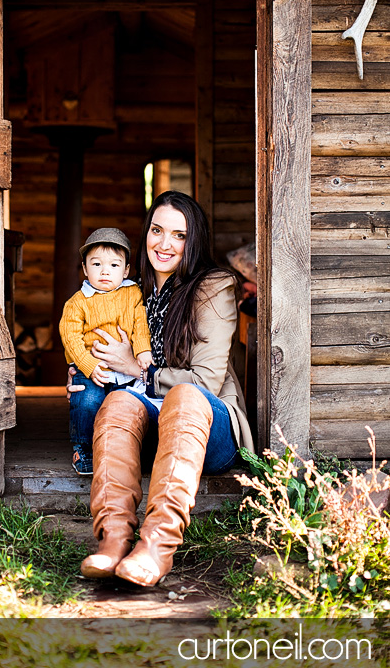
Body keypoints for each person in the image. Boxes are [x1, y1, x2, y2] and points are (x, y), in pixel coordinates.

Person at [70, 191, 255, 587]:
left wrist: (137, 367)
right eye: (157, 230)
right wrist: (87, 370)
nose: (164, 243)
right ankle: (113, 540)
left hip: (206, 426)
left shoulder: (214, 286)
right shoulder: (127, 291)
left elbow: (205, 380)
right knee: (120, 401)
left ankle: (157, 546)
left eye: (179, 235)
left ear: (195, 241)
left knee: (184, 395)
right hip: (152, 428)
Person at [59, 227, 152, 476]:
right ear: (85, 268)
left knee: (122, 408)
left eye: (113, 265)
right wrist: (88, 366)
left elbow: (140, 323)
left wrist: (143, 351)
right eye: (97, 264)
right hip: (92, 366)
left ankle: (120, 450)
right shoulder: (77, 302)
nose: (104, 271)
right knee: (88, 402)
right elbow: (71, 339)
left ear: (125, 270)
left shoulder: (132, 294)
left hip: (125, 369)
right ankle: (84, 449)